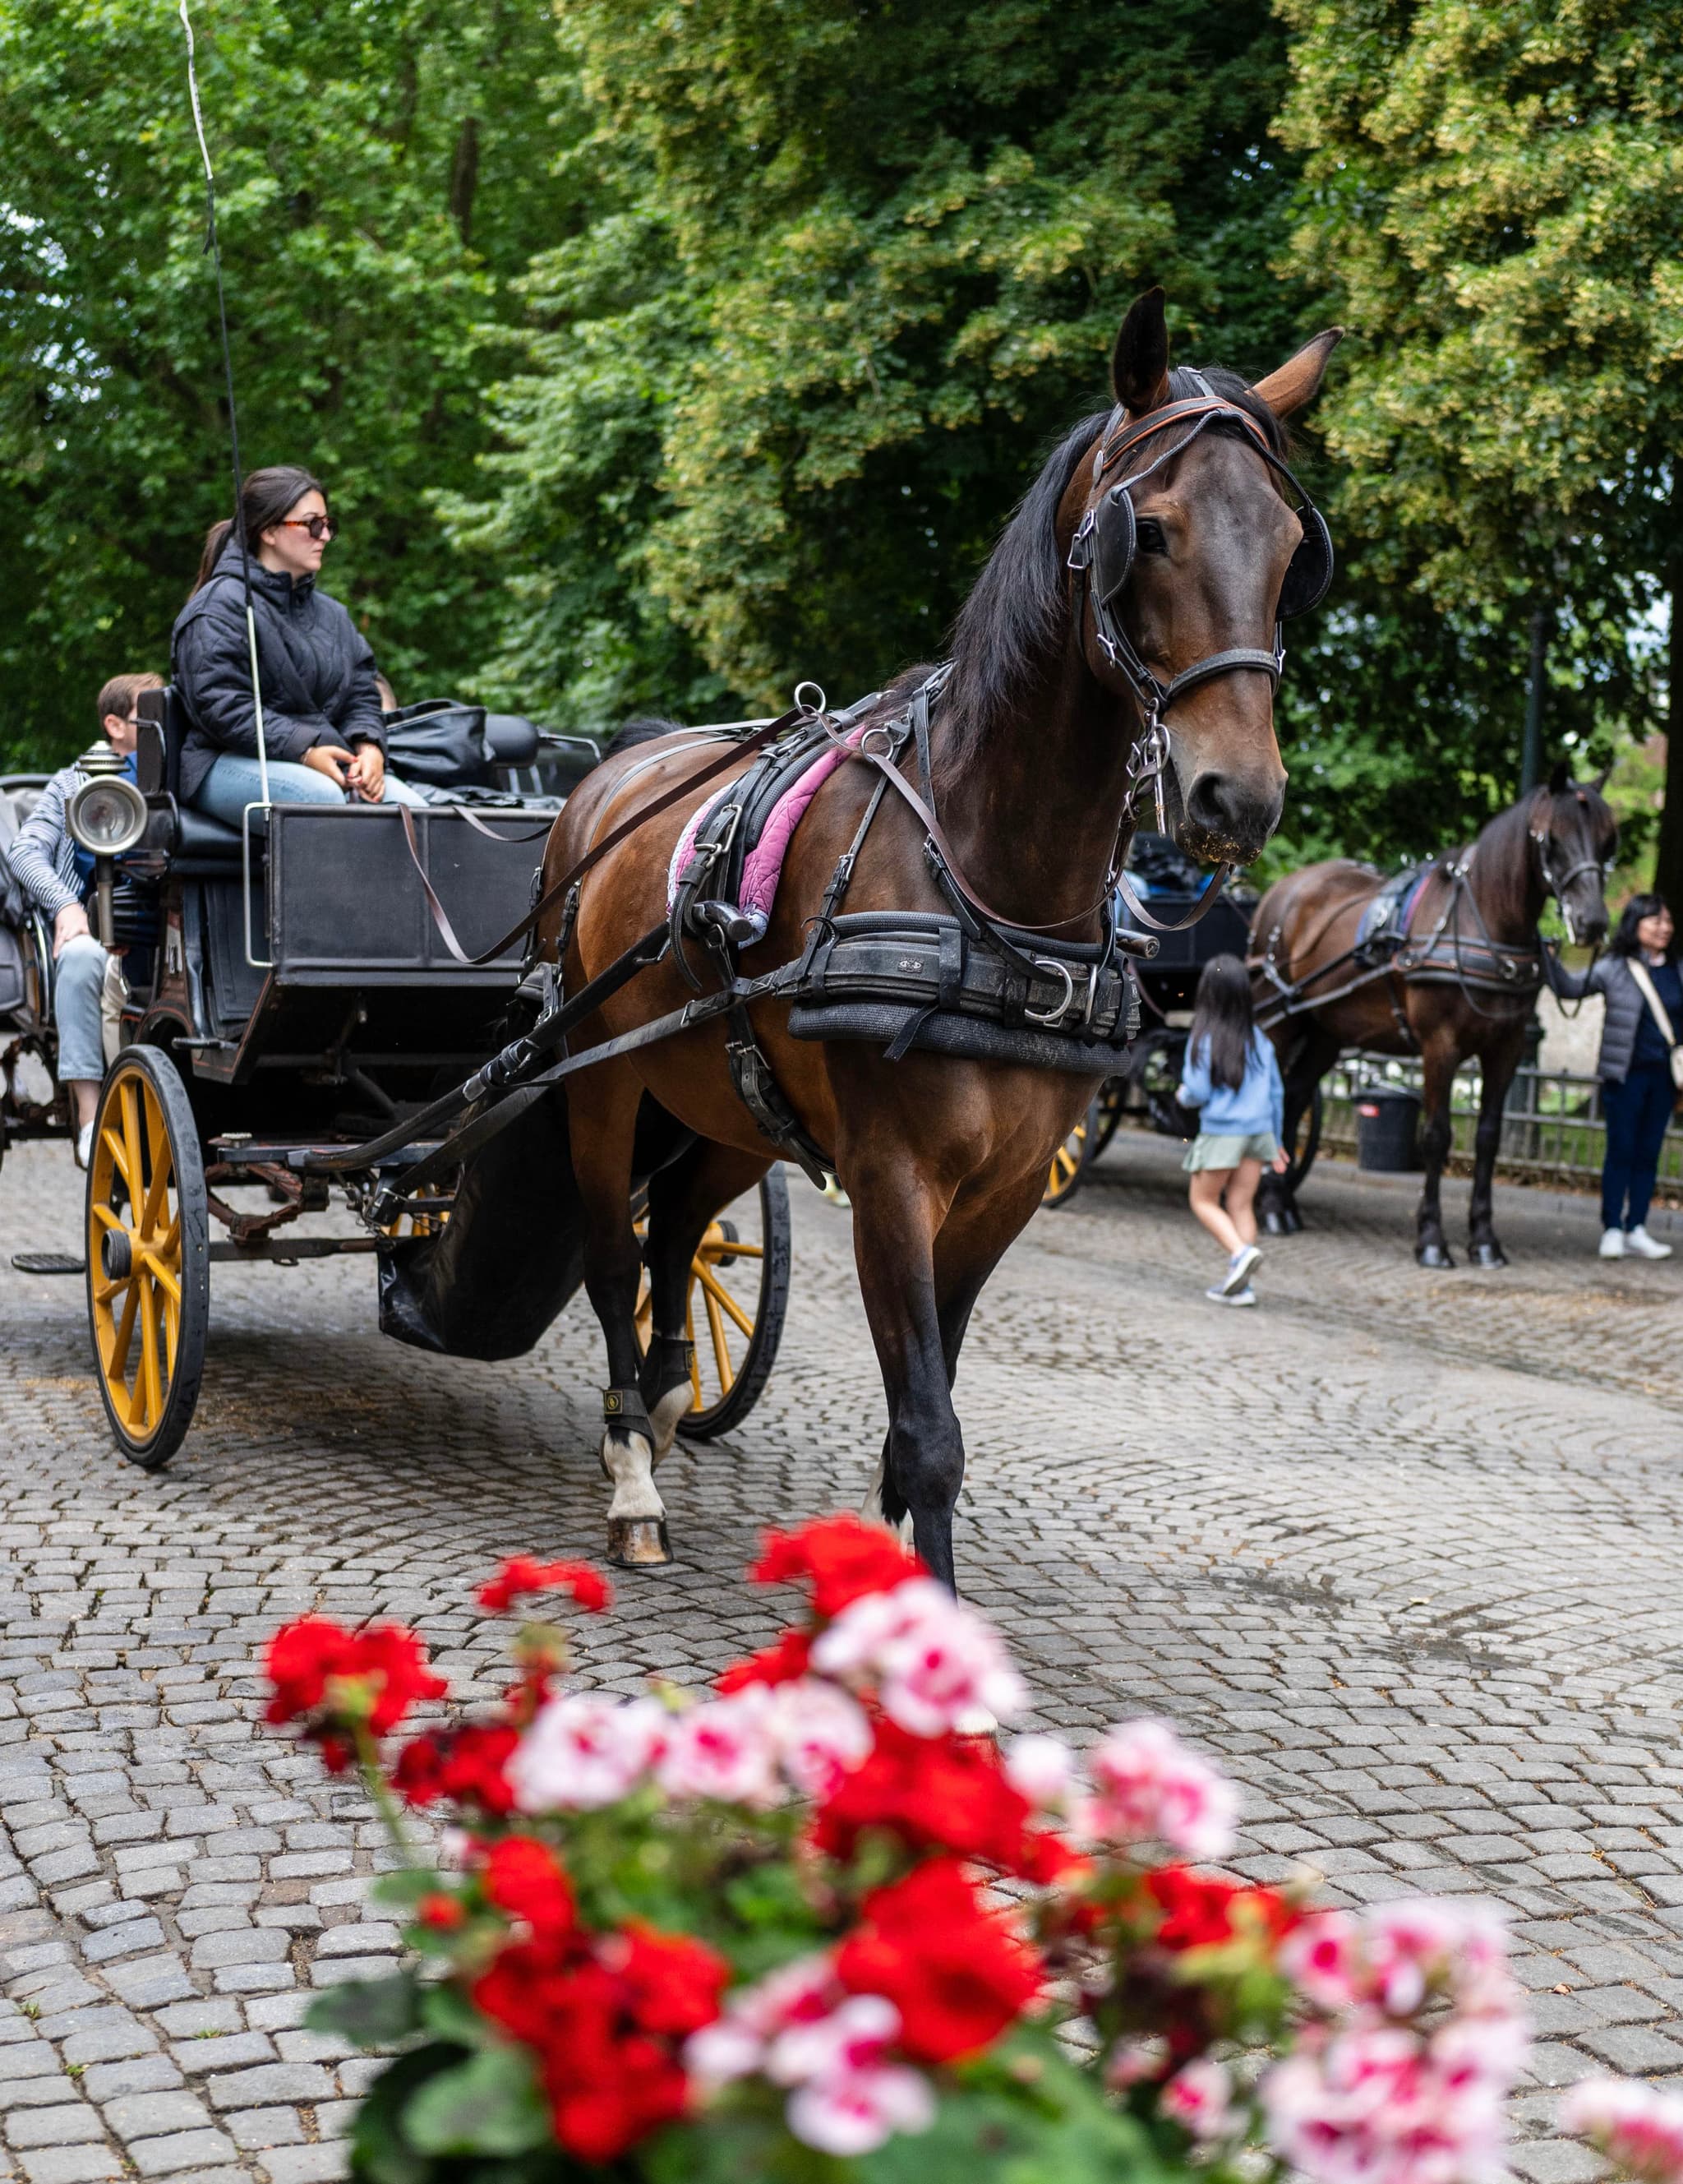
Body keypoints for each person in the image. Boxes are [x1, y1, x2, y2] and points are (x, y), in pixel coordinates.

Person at [172, 465, 425, 825]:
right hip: (223, 760)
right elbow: (220, 705)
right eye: (312, 525)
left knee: (419, 815)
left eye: (328, 525)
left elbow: (361, 692)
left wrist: (370, 749)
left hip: (325, 758)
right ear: (270, 531)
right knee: (318, 800)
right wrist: (304, 751)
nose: (324, 536)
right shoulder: (218, 607)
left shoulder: (332, 614)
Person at [9, 672, 162, 1165]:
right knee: (77, 955)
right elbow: (25, 850)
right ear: (114, 724)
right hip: (92, 928)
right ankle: (91, 1117)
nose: (162, 724)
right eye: (150, 715)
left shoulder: (172, 777)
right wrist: (66, 905)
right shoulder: (71, 782)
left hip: (160, 928)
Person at [1545, 893, 1679, 1259]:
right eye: (1656, 921)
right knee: (1620, 1151)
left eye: (1667, 921)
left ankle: (1637, 1226)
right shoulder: (1615, 967)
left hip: (1665, 1079)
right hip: (1625, 1076)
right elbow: (1570, 989)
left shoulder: (1677, 969)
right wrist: (1550, 962)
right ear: (1636, 924)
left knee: (1648, 1153)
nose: (1665, 928)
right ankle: (1612, 1229)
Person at [1178, 953, 1289, 1306]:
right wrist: (1279, 1140)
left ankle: (1240, 1254)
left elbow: (1196, 1091)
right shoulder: (1261, 1041)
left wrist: (1181, 1096)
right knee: (1241, 1204)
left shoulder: (1206, 1039)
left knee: (1203, 1200)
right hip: (1259, 1133)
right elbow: (1276, 1094)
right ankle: (1243, 1286)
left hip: (1224, 1133)